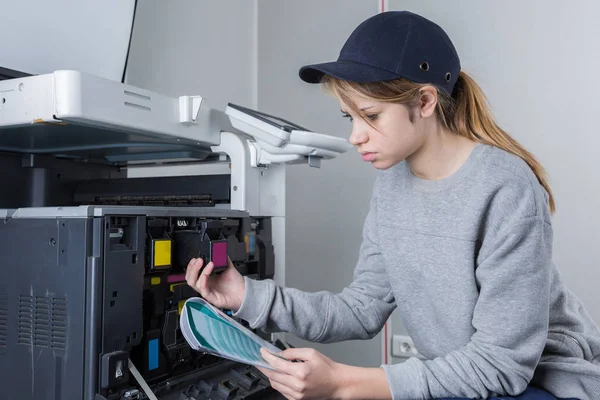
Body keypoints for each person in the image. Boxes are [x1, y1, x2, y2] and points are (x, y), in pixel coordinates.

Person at [185, 10, 600, 400]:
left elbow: (502, 366)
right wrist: (246, 296)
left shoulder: (506, 188)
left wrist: (344, 384)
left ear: (424, 102)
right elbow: (362, 309)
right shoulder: (391, 185)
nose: (355, 137)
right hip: (467, 377)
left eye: (371, 116)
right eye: (350, 118)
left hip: (541, 382)